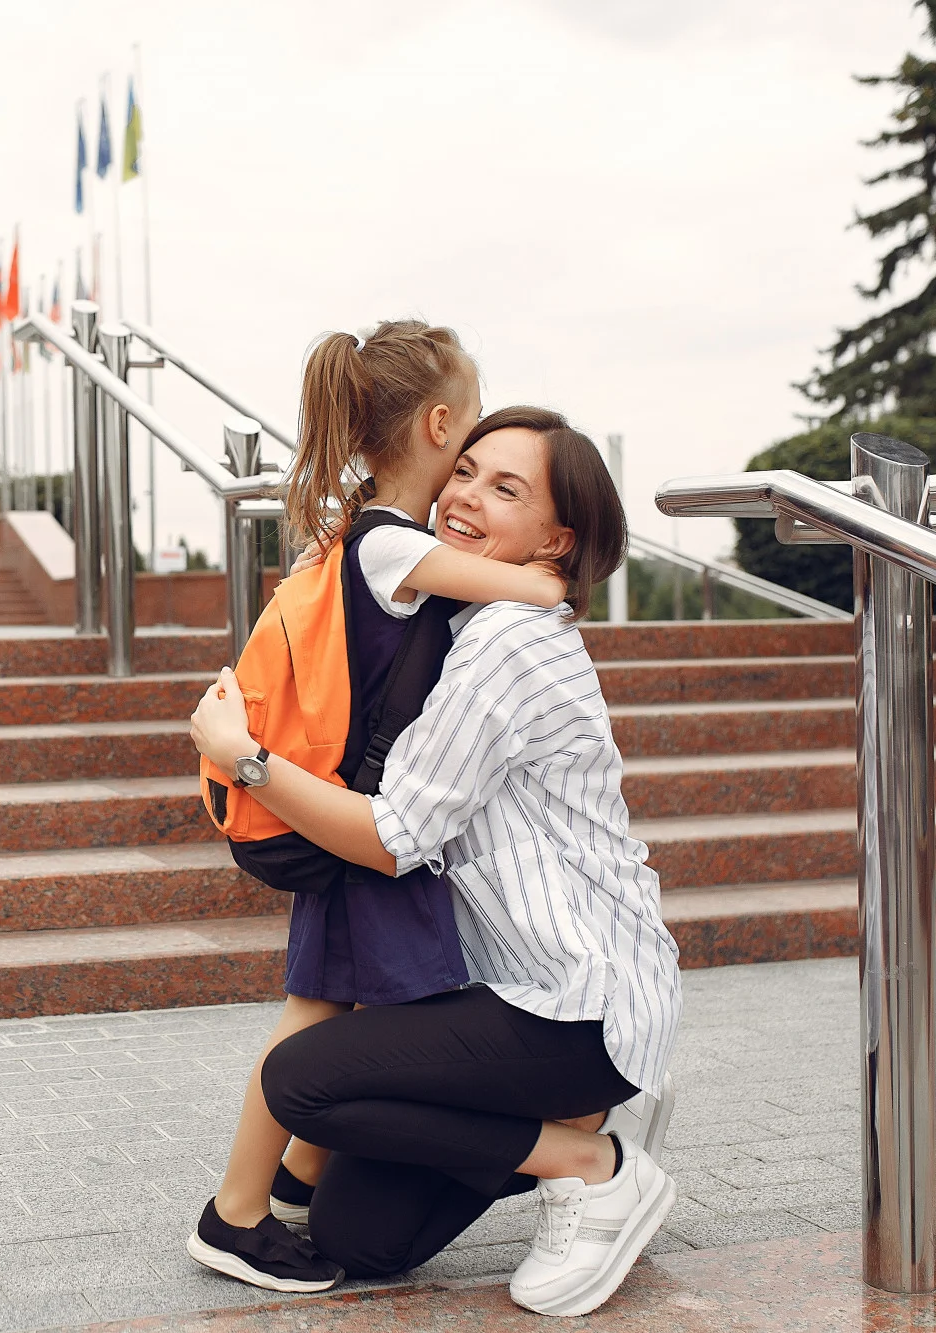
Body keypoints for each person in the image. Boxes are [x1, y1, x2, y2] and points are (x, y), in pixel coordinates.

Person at [188, 407, 682, 1320]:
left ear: (556, 536)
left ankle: (594, 1164)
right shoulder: (468, 617)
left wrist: (247, 756)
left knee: (300, 1079)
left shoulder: (507, 642)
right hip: (512, 994)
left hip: (579, 1000)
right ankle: (573, 1121)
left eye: (507, 489)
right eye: (466, 472)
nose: (464, 496)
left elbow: (389, 834)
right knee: (360, 1239)